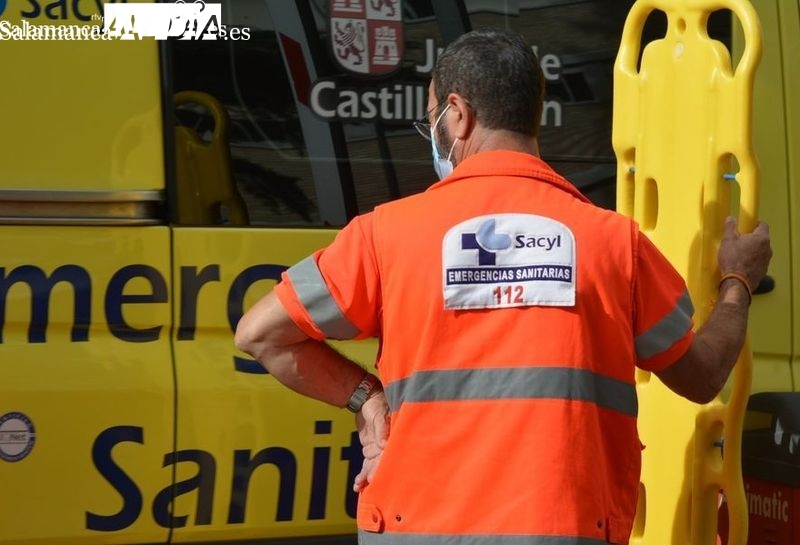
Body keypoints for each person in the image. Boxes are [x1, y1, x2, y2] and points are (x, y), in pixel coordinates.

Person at [235, 28, 772, 545]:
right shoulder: (614, 243)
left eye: (431, 120)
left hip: (413, 527)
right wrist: (736, 282)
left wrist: (367, 400)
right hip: (565, 528)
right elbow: (702, 377)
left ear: (459, 114)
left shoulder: (384, 234)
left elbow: (260, 333)